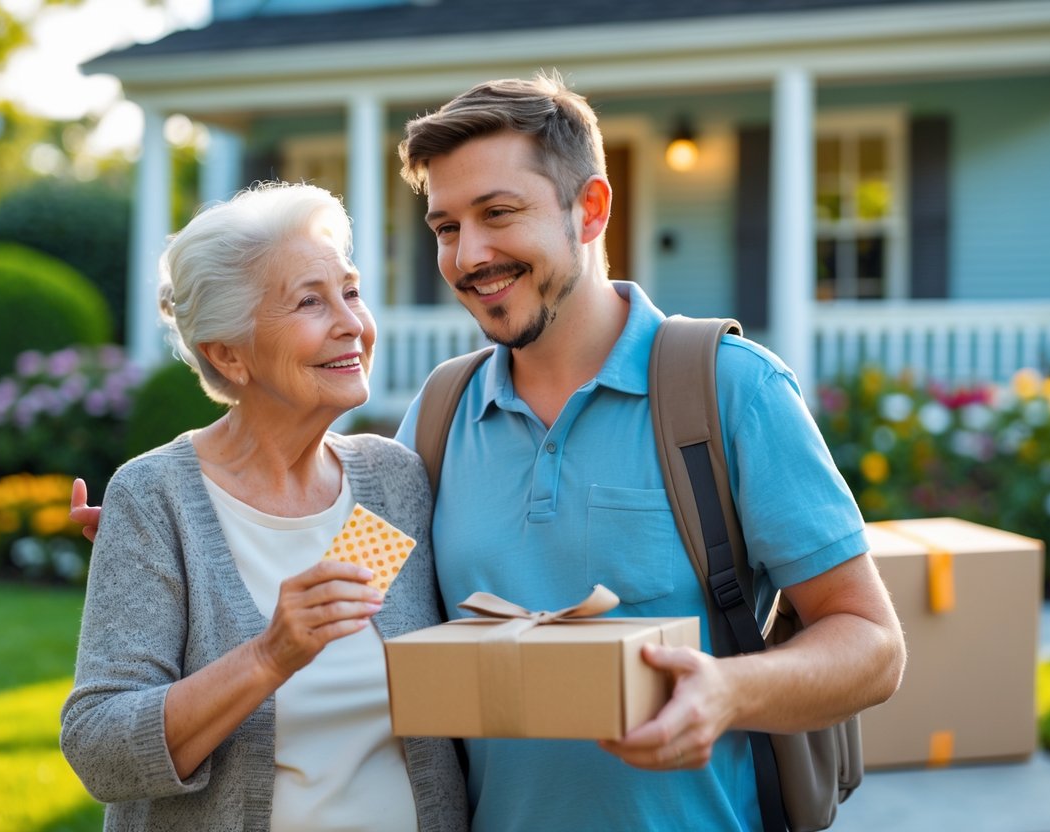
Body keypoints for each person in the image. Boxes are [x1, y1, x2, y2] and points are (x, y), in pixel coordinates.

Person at [388, 72, 906, 831]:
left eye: (498, 213)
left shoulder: (734, 391)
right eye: (445, 227)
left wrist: (729, 691)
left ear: (589, 209)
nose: (469, 255)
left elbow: (872, 645)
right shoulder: (436, 412)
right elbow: (346, 601)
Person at [59, 182, 469, 832]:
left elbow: (396, 652)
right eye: (310, 301)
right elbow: (100, 750)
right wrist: (269, 654)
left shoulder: (388, 484)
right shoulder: (158, 499)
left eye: (352, 291)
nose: (352, 324)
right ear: (229, 354)